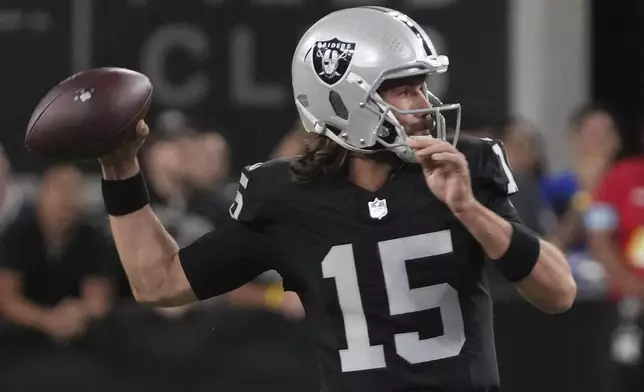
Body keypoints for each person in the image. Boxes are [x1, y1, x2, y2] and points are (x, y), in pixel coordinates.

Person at [96, 7, 576, 392]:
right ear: (346, 101)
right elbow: (158, 283)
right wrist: (121, 170)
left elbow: (559, 293)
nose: (425, 105)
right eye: (405, 90)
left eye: (422, 87)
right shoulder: (287, 196)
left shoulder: (462, 166)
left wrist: (469, 209)